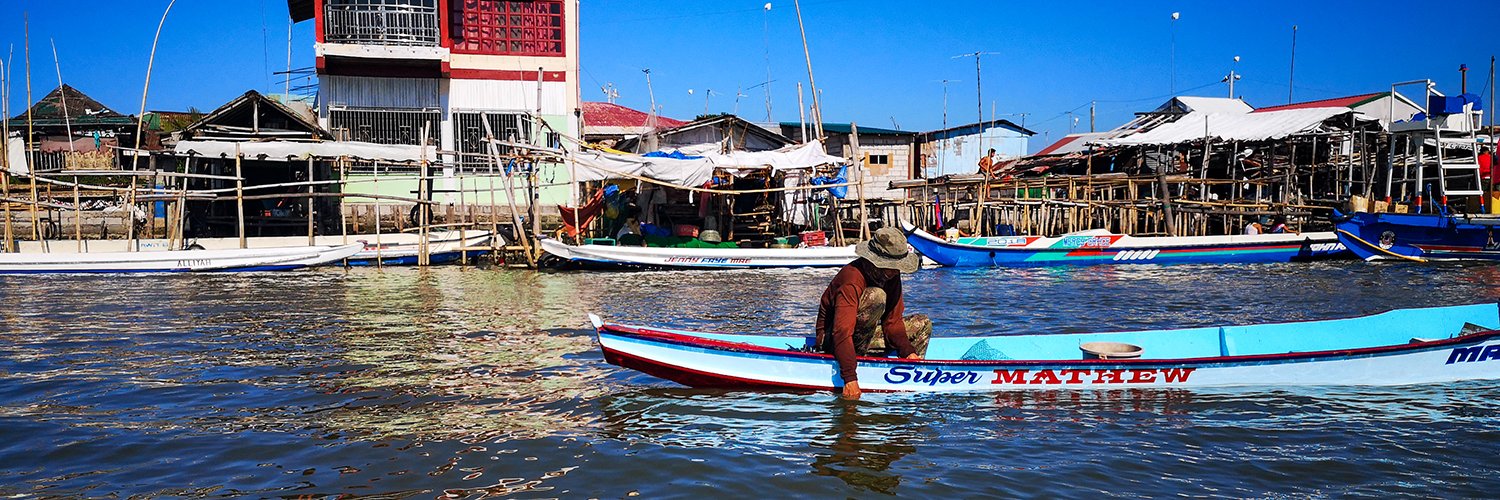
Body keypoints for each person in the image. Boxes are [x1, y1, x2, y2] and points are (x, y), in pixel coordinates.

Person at [815, 227, 930, 399]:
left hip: (865, 334)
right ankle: (857, 361)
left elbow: (892, 322)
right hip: (834, 339)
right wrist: (849, 378)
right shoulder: (852, 278)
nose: (895, 271)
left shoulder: (892, 276)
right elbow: (842, 332)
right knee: (877, 296)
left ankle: (910, 378)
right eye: (891, 267)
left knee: (923, 323)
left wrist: (908, 352)